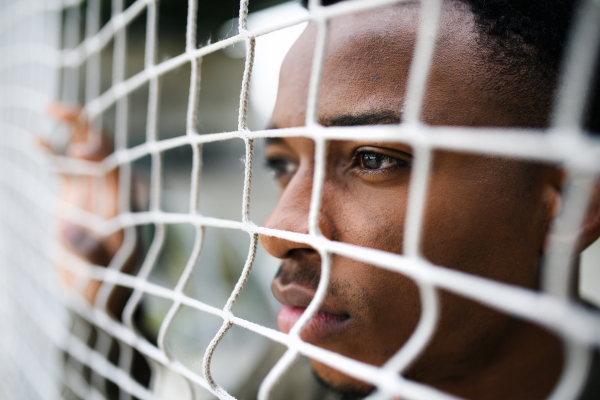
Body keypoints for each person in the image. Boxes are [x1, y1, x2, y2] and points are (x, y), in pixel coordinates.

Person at [50, 0, 600, 399]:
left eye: (373, 158)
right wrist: (110, 303)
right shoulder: (306, 373)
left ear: (572, 202)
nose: (277, 229)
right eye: (282, 165)